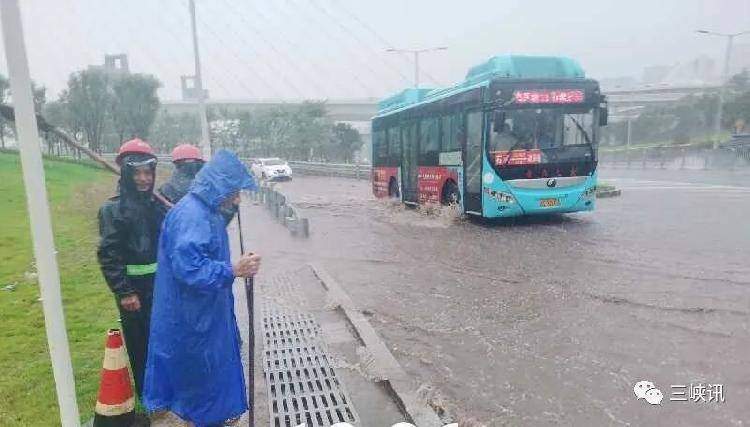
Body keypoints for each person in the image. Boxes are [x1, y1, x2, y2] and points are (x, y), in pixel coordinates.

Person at [144, 149, 261, 427]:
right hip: (192, 316)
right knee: (202, 374)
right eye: (234, 191)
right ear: (219, 186)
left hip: (204, 310)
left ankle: (210, 416)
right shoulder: (192, 217)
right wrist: (233, 269)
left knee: (209, 372)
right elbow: (191, 270)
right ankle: (205, 419)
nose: (237, 198)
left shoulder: (205, 211)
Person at [97, 138, 167, 398]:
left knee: (163, 339)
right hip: (133, 291)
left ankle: (168, 388)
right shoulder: (112, 210)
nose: (143, 179)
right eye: (137, 173)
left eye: (148, 172)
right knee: (140, 345)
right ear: (126, 174)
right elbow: (108, 254)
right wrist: (124, 292)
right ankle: (149, 395)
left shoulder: (157, 205)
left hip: (161, 286)